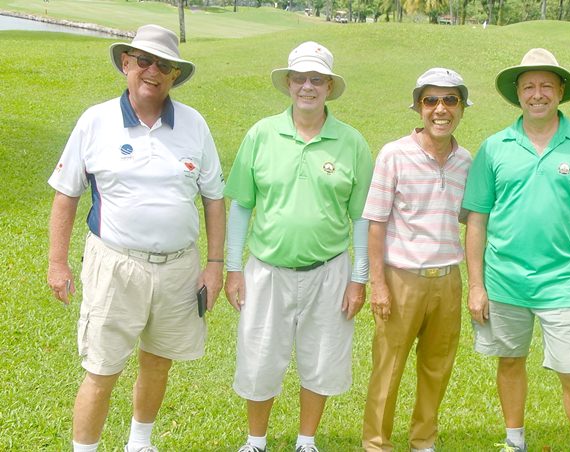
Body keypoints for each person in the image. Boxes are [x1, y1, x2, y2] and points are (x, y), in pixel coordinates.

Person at [47, 24, 226, 452]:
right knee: (102, 368)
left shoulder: (194, 125)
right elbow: (66, 194)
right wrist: (57, 262)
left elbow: (214, 199)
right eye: (144, 61)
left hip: (179, 267)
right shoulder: (95, 121)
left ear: (175, 76)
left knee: (158, 362)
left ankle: (139, 443)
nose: (153, 71)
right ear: (126, 64)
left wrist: (215, 265)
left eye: (164, 65)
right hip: (115, 264)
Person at [462, 48, 570, 452]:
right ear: (517, 93)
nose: (537, 94)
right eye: (529, 86)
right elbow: (477, 220)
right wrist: (476, 285)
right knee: (510, 361)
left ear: (560, 91)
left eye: (546, 86)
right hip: (504, 281)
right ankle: (513, 440)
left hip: (563, 281)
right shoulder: (494, 147)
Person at [223, 41, 374, 452]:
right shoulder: (261, 134)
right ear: (288, 83)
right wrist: (233, 268)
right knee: (258, 357)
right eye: (300, 78)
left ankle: (306, 441)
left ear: (329, 86)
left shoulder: (352, 142)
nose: (307, 86)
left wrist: (359, 278)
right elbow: (241, 206)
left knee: (322, 359)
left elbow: (361, 217)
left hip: (329, 271)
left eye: (317, 80)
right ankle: (256, 441)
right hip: (267, 268)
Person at [361, 68, 474, 452]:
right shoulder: (394, 154)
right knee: (388, 367)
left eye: (450, 100)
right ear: (418, 107)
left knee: (437, 366)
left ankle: (423, 440)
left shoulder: (466, 161)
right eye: (431, 100)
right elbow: (375, 223)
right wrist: (378, 284)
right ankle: (377, 443)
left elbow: (471, 221)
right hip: (401, 278)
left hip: (448, 279)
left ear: (461, 107)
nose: (440, 109)